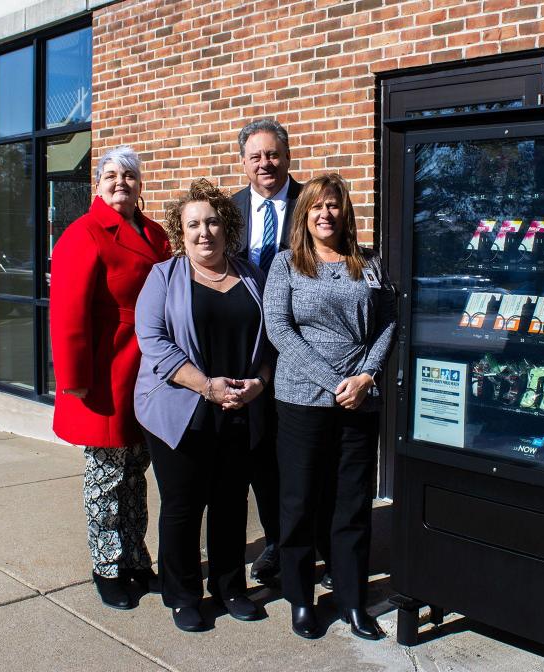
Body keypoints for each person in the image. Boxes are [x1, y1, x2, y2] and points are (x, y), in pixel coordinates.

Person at [134, 178, 274, 632]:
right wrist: (206, 387)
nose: (204, 232)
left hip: (239, 407)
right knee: (182, 505)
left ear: (226, 225)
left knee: (231, 502)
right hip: (181, 411)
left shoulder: (251, 276)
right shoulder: (163, 276)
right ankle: (182, 594)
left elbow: (273, 341)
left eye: (212, 221)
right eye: (193, 224)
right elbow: (152, 343)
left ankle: (231, 587)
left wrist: (259, 384)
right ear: (181, 230)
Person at [263, 173, 396, 640]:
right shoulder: (286, 265)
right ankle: (301, 599)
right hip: (302, 400)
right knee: (298, 502)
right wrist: (334, 380)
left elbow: (386, 324)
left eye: (334, 205)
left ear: (345, 212)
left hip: (359, 400)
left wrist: (366, 377)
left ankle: (352, 600)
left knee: (352, 506)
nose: (325, 213)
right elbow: (279, 329)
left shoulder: (369, 263)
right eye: (317, 206)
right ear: (304, 214)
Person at [50, 145, 171, 610]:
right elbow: (67, 313)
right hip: (106, 369)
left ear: (141, 186)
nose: (121, 183)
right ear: (96, 185)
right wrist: (74, 378)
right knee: (106, 475)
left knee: (136, 470)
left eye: (130, 176)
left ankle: (137, 559)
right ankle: (106, 565)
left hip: (147, 366)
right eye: (111, 176)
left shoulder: (156, 233)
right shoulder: (84, 233)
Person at [231, 119, 306, 586]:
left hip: (302, 351)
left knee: (301, 454)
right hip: (248, 352)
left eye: (273, 154)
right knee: (260, 457)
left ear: (288, 157)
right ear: (243, 163)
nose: (266, 163)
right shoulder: (229, 210)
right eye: (256, 156)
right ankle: (279, 542)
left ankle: (310, 540)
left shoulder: (311, 205)